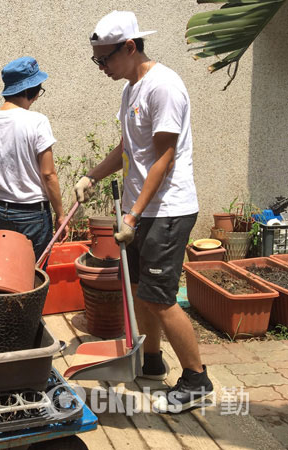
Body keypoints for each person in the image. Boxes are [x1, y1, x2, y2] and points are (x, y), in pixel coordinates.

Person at [75, 11, 213, 413]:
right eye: (96, 60)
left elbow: (164, 157)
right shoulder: (131, 87)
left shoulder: (163, 87)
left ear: (130, 48)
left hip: (166, 210)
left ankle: (196, 379)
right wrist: (92, 176)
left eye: (105, 59)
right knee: (139, 293)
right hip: (142, 209)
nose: (101, 67)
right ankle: (151, 361)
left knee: (161, 298)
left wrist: (132, 216)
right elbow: (127, 149)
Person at [0, 56, 68, 262]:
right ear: (30, 89)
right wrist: (61, 214)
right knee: (33, 279)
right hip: (33, 215)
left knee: (7, 276)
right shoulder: (37, 121)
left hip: (2, 211)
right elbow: (48, 174)